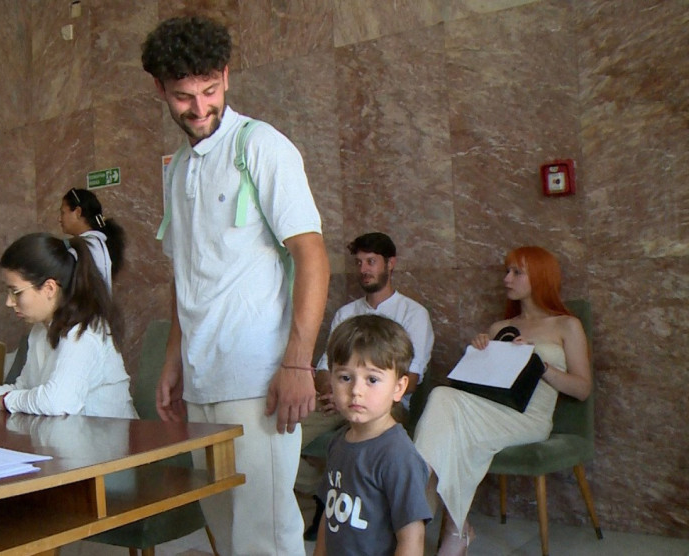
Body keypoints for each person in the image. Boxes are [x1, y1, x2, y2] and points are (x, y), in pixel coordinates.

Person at [143, 15, 330, 555]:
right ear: (159, 89)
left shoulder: (262, 146)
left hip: (258, 379)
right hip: (201, 380)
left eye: (209, 90)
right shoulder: (178, 167)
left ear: (225, 76)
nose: (199, 107)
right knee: (226, 532)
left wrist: (298, 364)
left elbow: (312, 256)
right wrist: (174, 361)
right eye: (183, 96)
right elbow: (185, 274)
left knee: (265, 535)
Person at [413, 246, 592, 555]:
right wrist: (480, 352)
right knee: (443, 399)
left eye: (516, 272)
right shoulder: (500, 328)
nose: (507, 279)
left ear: (540, 277)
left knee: (447, 415)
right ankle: (451, 529)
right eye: (506, 271)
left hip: (529, 418)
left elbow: (582, 389)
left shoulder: (567, 325)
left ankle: (419, 509)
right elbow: (488, 386)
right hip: (490, 410)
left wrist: (540, 366)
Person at [0, 233, 136, 418]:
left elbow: (57, 402)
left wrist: (4, 402)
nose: (9, 302)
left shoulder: (84, 332)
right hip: (69, 442)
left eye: (16, 292)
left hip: (108, 451)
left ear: (49, 288)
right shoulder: (41, 330)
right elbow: (22, 390)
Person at [298, 232, 434, 534]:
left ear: (390, 264)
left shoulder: (413, 314)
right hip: (337, 399)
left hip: (388, 405)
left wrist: (354, 396)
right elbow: (325, 367)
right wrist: (336, 393)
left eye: (371, 262)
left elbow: (411, 380)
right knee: (281, 433)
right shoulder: (346, 313)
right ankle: (322, 497)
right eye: (359, 263)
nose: (364, 269)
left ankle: (335, 503)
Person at [313, 314, 432, 556]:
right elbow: (330, 513)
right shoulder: (338, 442)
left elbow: (412, 537)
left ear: (398, 388)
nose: (356, 390)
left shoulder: (398, 455)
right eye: (345, 377)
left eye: (372, 379)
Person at [58, 187, 126, 293]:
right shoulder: (97, 243)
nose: (59, 219)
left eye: (63, 213)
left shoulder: (84, 247)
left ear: (78, 212)